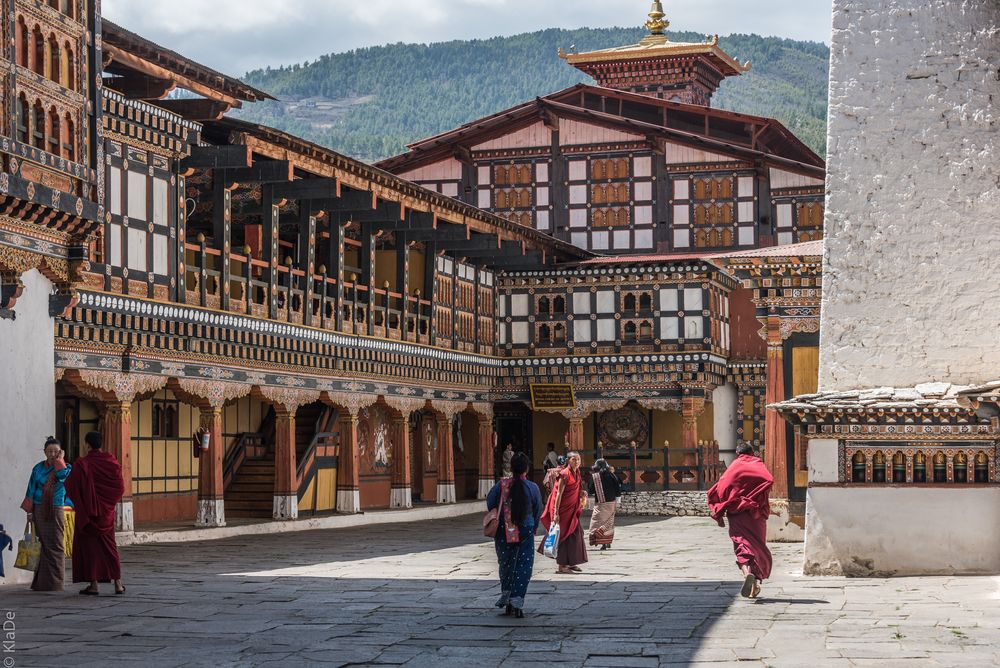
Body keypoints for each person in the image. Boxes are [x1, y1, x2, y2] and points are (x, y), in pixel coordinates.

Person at [707, 442, 774, 599]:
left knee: (741, 544)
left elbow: (721, 488)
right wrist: (754, 494)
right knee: (756, 546)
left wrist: (726, 504)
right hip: (755, 513)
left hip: (737, 512)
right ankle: (754, 583)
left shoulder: (735, 466)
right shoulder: (757, 464)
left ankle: (747, 574)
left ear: (737, 453)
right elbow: (768, 480)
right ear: (752, 452)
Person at [64, 431, 126, 596]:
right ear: (101, 444)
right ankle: (118, 584)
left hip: (89, 516)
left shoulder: (82, 464)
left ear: (87, 445)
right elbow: (120, 487)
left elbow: (70, 485)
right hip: (106, 514)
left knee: (90, 548)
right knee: (110, 548)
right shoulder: (111, 462)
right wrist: (108, 504)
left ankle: (94, 585)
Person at [486, 453, 542, 618]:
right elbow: (538, 508)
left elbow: (490, 502)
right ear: (526, 469)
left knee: (506, 562)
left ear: (511, 468)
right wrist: (534, 526)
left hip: (504, 529)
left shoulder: (501, 486)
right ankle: (517, 599)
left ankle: (507, 595)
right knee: (524, 564)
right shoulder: (532, 487)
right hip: (526, 528)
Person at [22, 437, 72, 591]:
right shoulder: (37, 468)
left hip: (55, 507)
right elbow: (31, 489)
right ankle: (41, 583)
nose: (52, 454)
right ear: (44, 452)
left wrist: (60, 460)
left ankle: (56, 583)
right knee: (42, 545)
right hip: (38, 507)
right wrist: (29, 511)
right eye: (49, 451)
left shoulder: (64, 467)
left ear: (60, 452)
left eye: (56, 451)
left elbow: (63, 476)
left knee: (56, 544)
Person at [537, 451, 588, 574]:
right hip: (563, 510)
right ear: (568, 461)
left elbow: (577, 488)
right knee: (564, 535)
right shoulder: (564, 474)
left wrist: (582, 493)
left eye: (578, 460)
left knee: (576, 533)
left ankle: (571, 562)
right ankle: (562, 566)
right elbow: (558, 494)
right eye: (574, 460)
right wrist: (556, 513)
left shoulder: (577, 472)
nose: (577, 462)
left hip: (572, 509)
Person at [587, 458, 621, 551]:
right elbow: (618, 489)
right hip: (611, 503)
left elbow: (590, 490)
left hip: (600, 503)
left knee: (597, 522)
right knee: (608, 524)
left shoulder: (595, 477)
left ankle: (599, 540)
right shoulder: (612, 475)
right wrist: (617, 502)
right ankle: (607, 542)